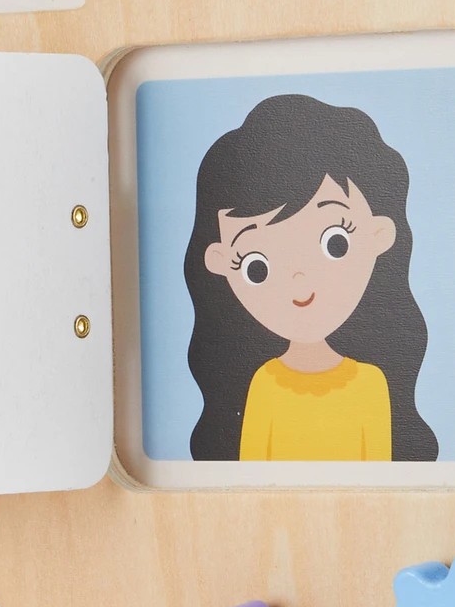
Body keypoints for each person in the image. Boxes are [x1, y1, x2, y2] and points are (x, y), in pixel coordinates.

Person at [183, 94, 438, 462]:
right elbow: (250, 476)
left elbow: (380, 475)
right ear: (221, 263)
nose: (299, 279)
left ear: (378, 234)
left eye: (336, 243)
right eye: (257, 267)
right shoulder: (264, 386)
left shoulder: (371, 386)